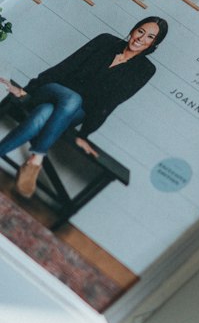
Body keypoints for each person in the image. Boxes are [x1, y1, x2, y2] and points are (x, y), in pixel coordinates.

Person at [0, 15, 168, 200]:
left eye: (150, 37)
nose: (141, 39)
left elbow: (111, 102)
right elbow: (66, 65)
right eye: (140, 31)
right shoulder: (106, 41)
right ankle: (36, 158)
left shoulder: (144, 70)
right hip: (52, 91)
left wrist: (84, 134)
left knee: (44, 113)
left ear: (154, 44)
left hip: (73, 113)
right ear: (133, 30)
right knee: (71, 99)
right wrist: (27, 90)